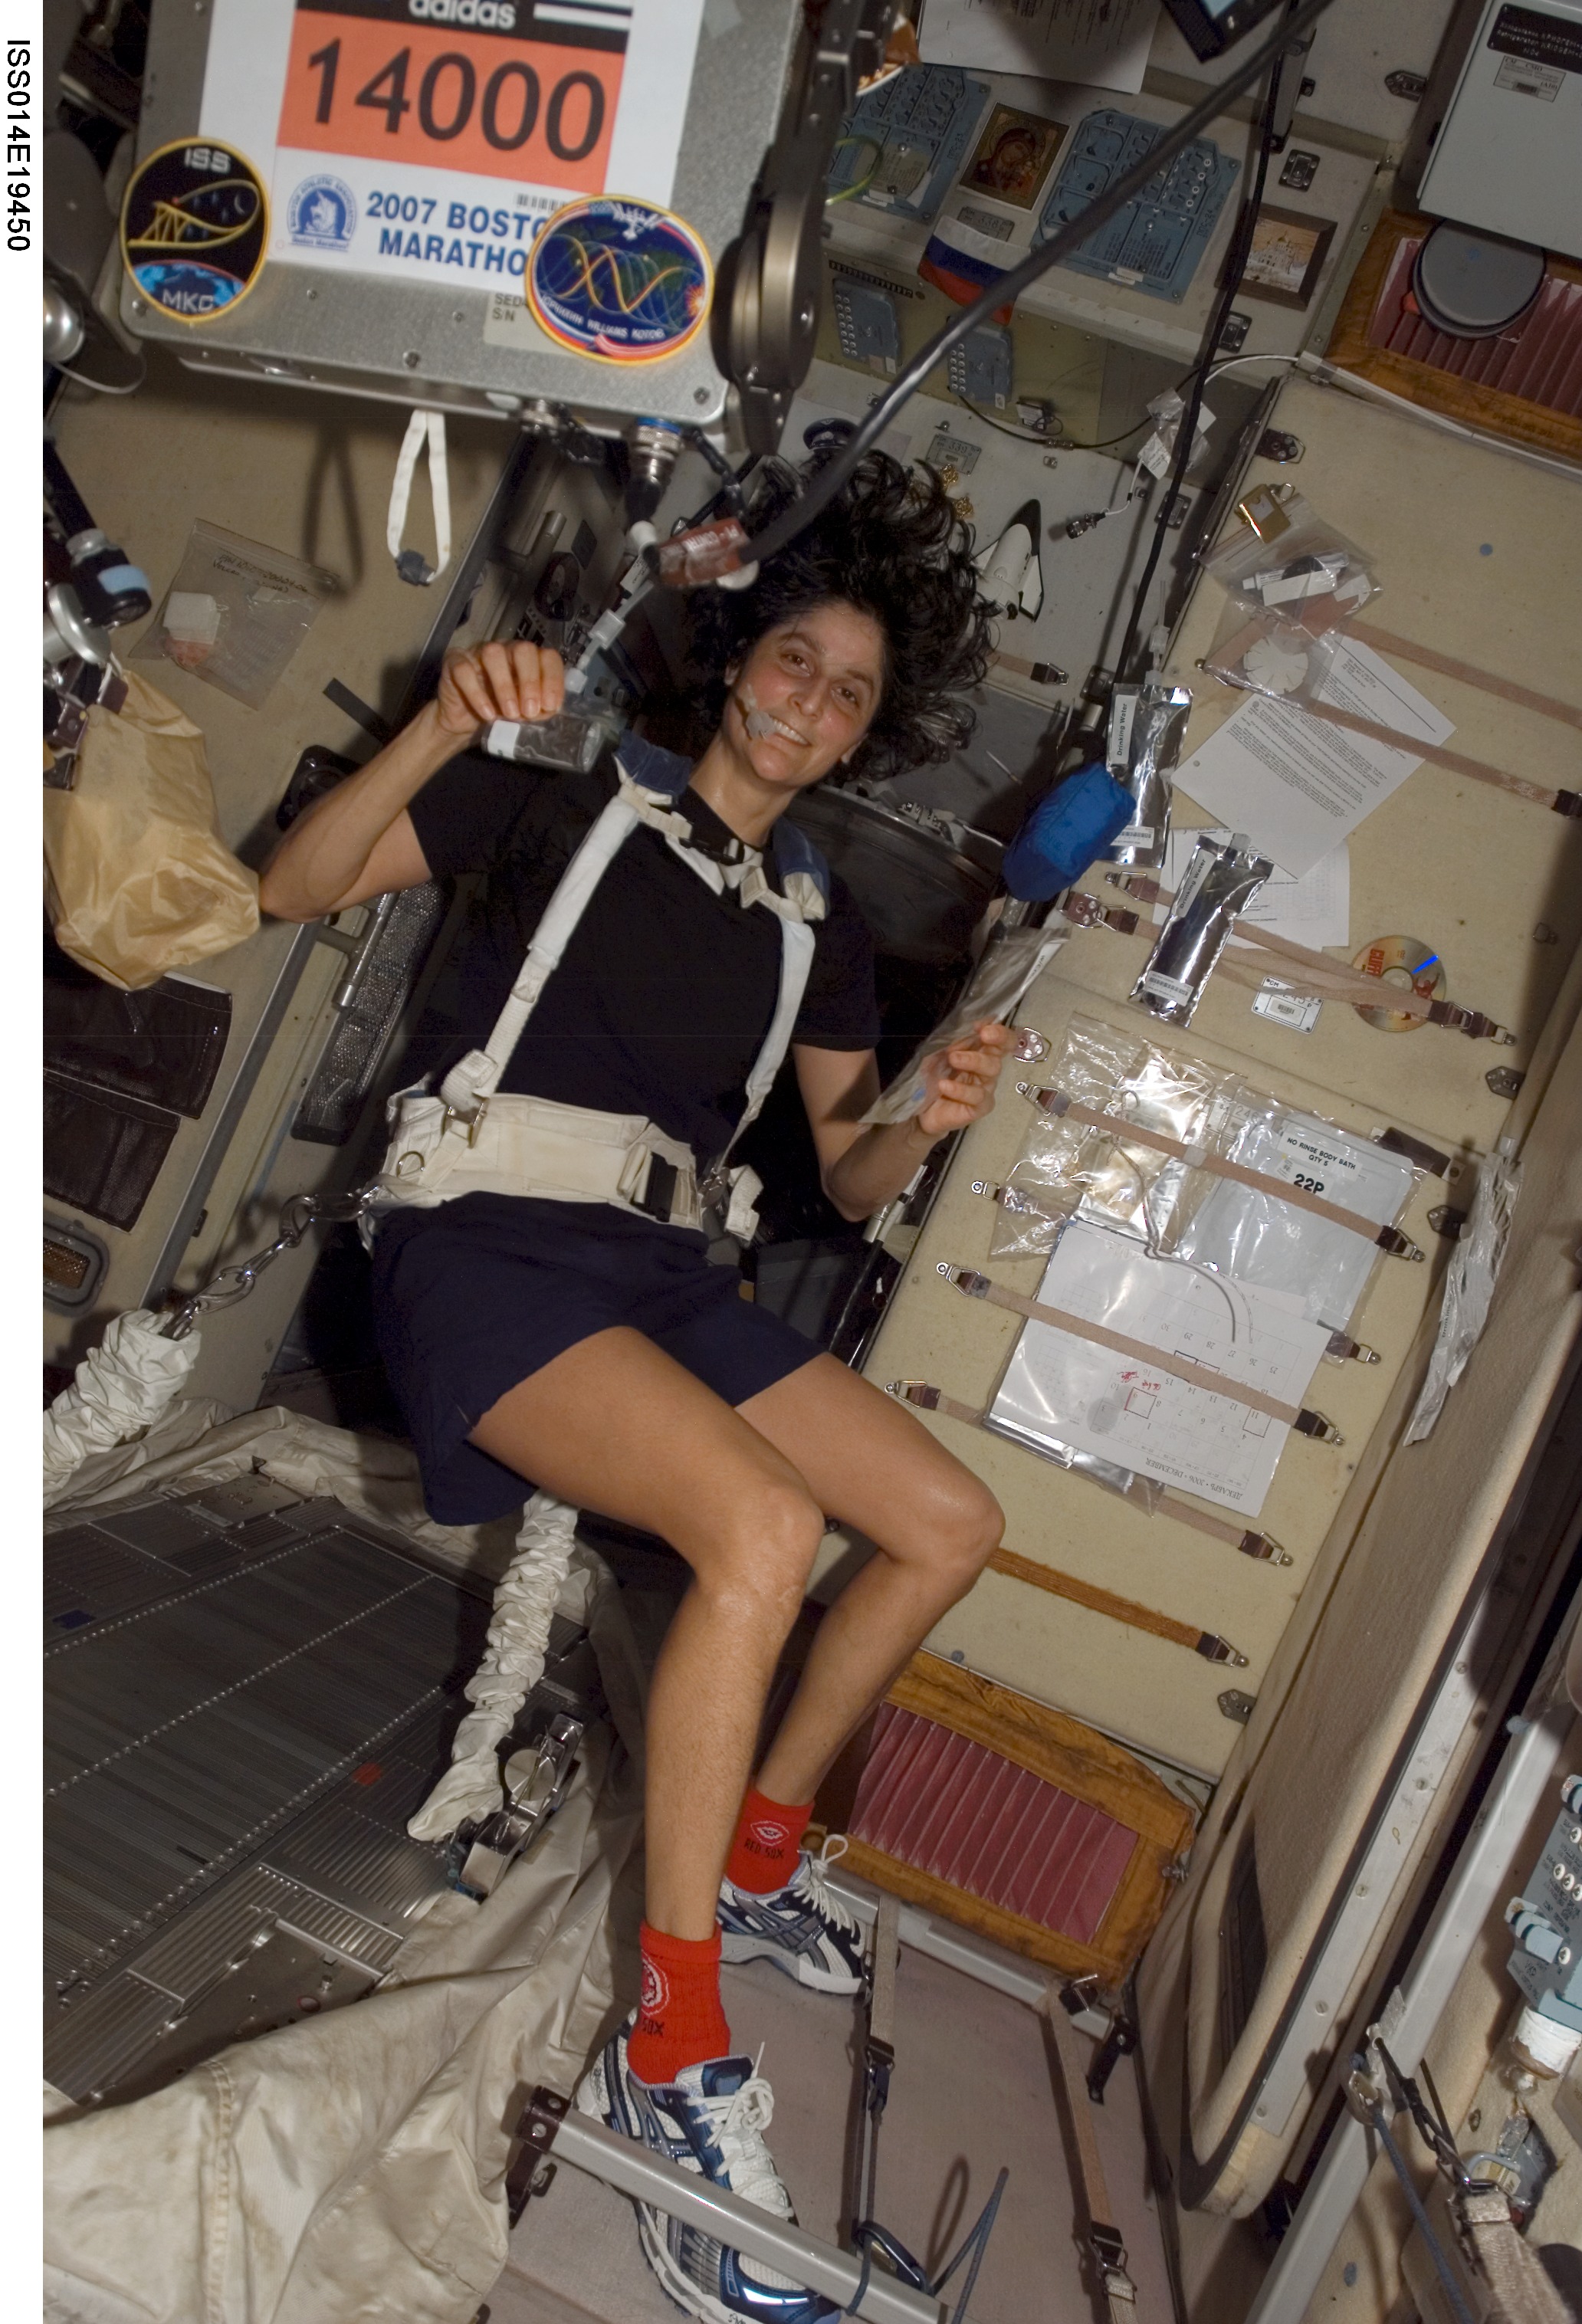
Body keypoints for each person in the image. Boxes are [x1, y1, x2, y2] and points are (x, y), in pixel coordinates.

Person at [259, 449, 1012, 2324]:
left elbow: (845, 1173)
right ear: (736, 661)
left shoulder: (817, 923)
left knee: (943, 1522)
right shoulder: (556, 802)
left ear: (862, 738)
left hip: (672, 1271)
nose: (814, 702)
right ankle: (674, 2047)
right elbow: (290, 888)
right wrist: (443, 717)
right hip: (489, 1247)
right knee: (761, 1528)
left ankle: (751, 1856)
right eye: (795, 662)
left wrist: (931, 1112)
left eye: (850, 693)